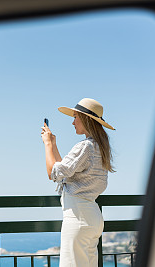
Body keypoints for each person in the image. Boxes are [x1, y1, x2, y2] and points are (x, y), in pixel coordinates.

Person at [41, 98, 115, 267]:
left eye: (75, 117)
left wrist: (46, 145)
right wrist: (53, 144)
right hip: (92, 218)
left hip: (77, 218)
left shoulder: (85, 147)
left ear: (86, 119)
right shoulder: (100, 147)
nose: (73, 122)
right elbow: (64, 171)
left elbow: (53, 173)